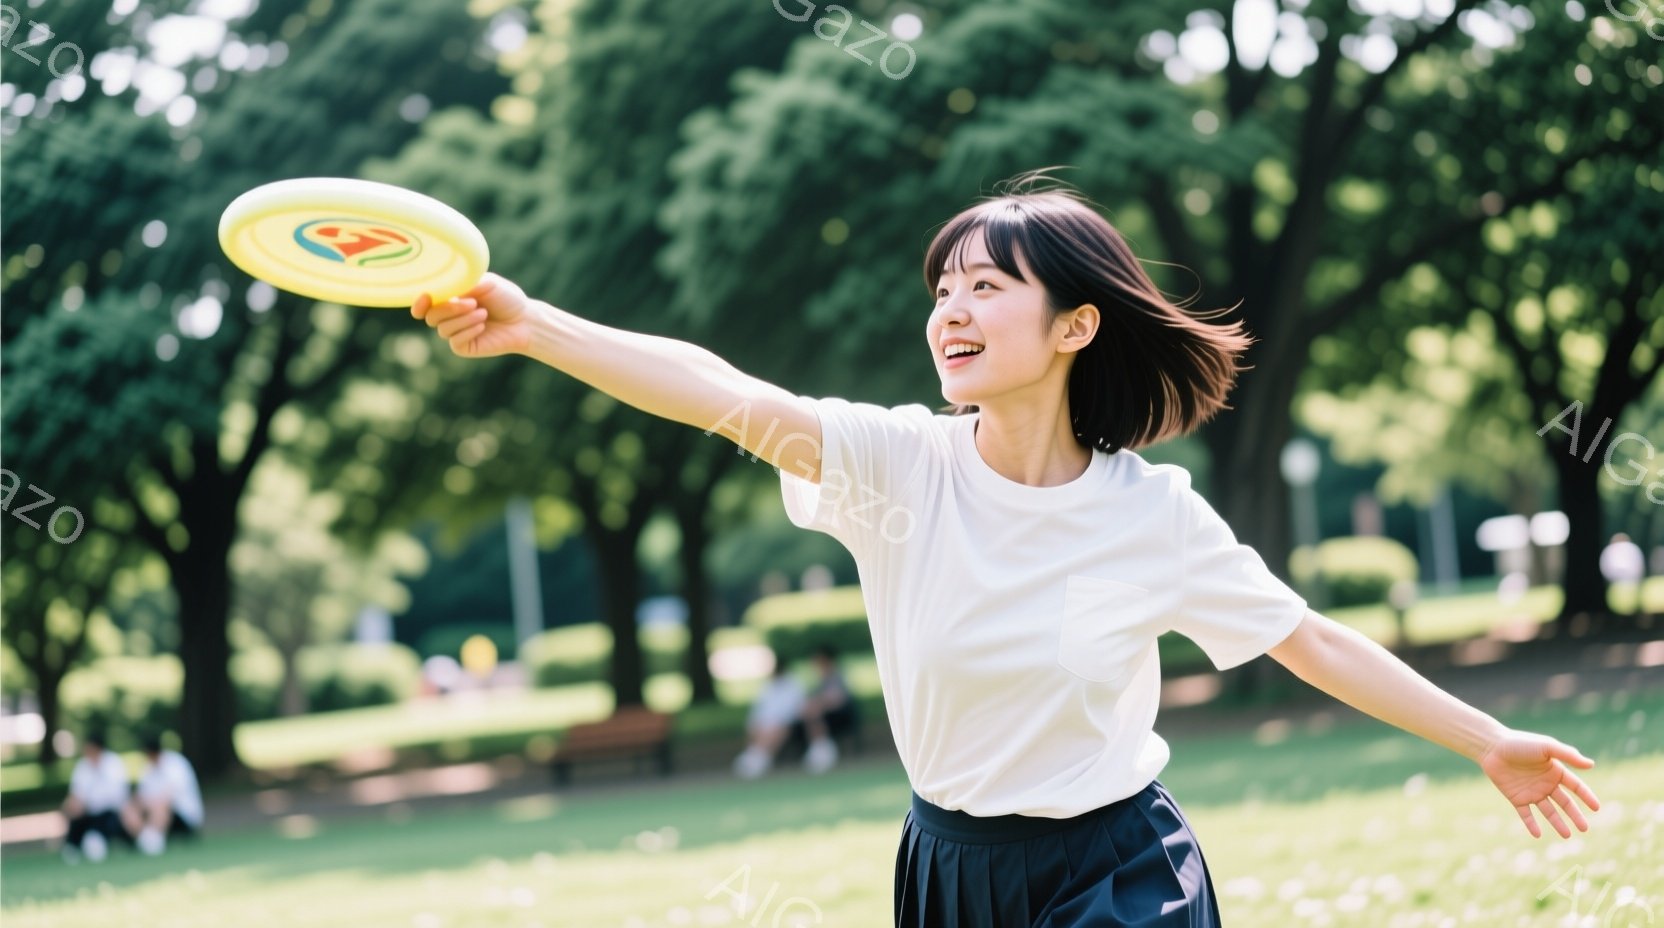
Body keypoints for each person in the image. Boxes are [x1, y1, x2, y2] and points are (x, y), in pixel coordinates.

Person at [410, 171, 1602, 927]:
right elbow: (716, 388)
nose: (949, 309)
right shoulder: (894, 465)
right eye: (942, 287)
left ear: (1076, 323)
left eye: (986, 285)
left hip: (1120, 864)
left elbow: (1310, 642)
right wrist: (534, 327)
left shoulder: (1152, 515)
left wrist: (1485, 737)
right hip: (950, 868)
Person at [122, 733, 204, 855]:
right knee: (128, 807)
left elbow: (168, 798)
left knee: (160, 806)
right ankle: (145, 838)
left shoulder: (176, 764)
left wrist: (148, 803)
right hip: (154, 811)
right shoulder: (147, 768)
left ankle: (152, 840)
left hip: (184, 815)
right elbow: (141, 796)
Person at [60, 729, 132, 864]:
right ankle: (72, 844)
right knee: (74, 811)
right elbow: (77, 793)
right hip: (88, 812)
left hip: (110, 812)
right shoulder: (82, 766)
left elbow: (119, 795)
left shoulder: (113, 764)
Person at [731, 650, 806, 779]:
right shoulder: (768, 686)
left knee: (775, 728)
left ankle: (761, 758)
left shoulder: (793, 685)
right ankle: (753, 755)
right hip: (767, 722)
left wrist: (776, 721)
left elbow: (794, 709)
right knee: (759, 726)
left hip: (785, 722)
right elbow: (759, 709)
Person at [785, 643, 856, 774]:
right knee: (811, 711)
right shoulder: (820, 680)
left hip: (839, 716)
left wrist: (818, 704)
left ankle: (822, 748)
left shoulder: (836, 677)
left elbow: (838, 699)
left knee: (814, 711)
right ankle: (819, 746)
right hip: (823, 716)